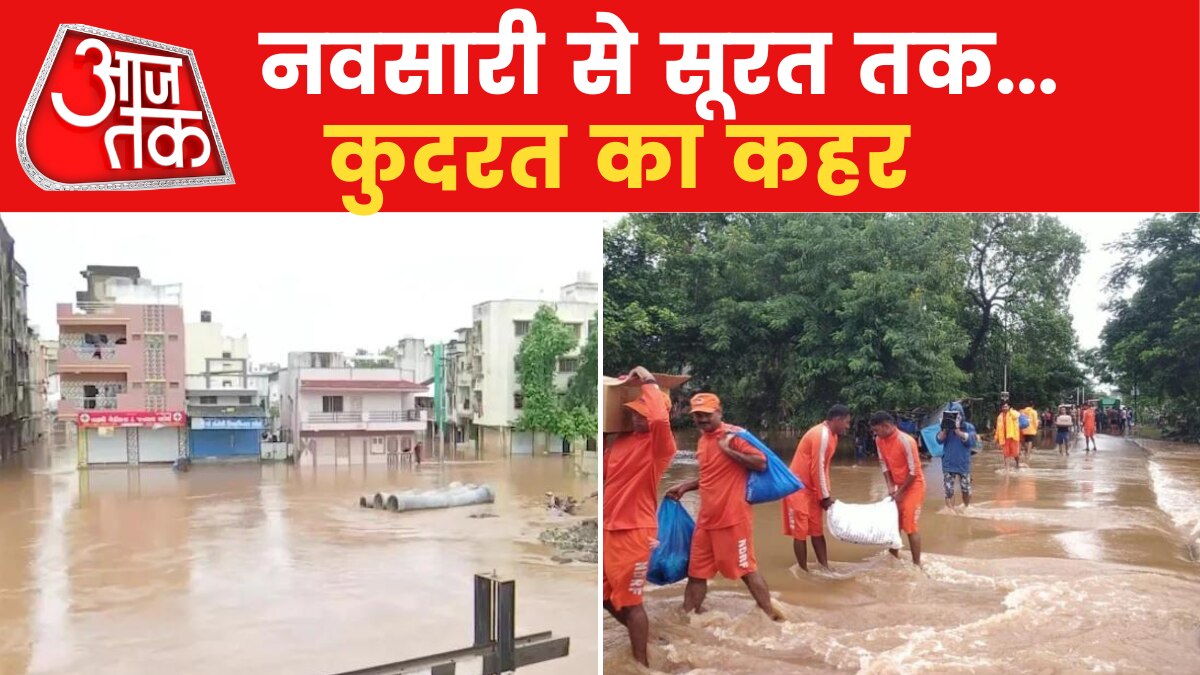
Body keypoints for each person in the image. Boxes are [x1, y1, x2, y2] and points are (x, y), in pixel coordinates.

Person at [665, 393, 783, 621]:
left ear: (719, 412)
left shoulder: (734, 436)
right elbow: (712, 475)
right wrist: (686, 486)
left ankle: (771, 618)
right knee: (696, 574)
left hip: (733, 520)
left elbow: (761, 463)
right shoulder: (703, 440)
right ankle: (688, 620)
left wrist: (729, 450)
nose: (702, 419)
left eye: (707, 414)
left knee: (746, 570)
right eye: (698, 415)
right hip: (706, 521)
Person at [602, 366, 677, 667]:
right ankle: (646, 638)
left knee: (632, 603)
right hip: (609, 528)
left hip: (635, 531)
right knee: (605, 598)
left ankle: (642, 665)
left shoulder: (660, 448)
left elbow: (659, 420)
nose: (636, 418)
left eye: (642, 414)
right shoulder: (620, 443)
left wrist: (649, 382)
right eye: (634, 412)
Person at [782, 404, 852, 572]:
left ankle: (825, 568)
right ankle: (803, 571)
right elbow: (817, 468)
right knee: (800, 533)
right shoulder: (822, 434)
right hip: (796, 488)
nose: (848, 426)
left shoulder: (833, 437)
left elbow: (824, 468)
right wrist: (825, 497)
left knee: (817, 531)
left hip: (813, 490)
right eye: (847, 422)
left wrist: (825, 493)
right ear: (837, 419)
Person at [870, 412, 926, 565]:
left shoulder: (906, 441)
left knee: (910, 525)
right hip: (898, 485)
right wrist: (890, 486)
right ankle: (892, 560)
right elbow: (883, 464)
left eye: (876, 430)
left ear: (886, 426)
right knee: (894, 524)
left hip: (914, 486)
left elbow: (914, 471)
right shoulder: (879, 440)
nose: (875, 434)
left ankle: (917, 564)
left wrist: (900, 492)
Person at [938, 412, 978, 511]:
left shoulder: (968, 427)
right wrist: (945, 430)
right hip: (948, 463)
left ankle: (966, 508)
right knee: (949, 491)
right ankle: (951, 512)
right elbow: (938, 440)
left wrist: (958, 431)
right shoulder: (945, 427)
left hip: (963, 463)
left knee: (966, 489)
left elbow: (972, 441)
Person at [994, 402, 1023, 471]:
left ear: (1009, 407)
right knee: (1006, 454)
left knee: (1015, 453)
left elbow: (1017, 415)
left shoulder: (1012, 413)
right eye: (1003, 407)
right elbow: (998, 428)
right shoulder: (999, 417)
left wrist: (1010, 410)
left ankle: (1017, 464)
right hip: (1004, 438)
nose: (1005, 408)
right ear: (1001, 408)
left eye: (1006, 407)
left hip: (1013, 437)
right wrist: (996, 438)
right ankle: (1007, 469)